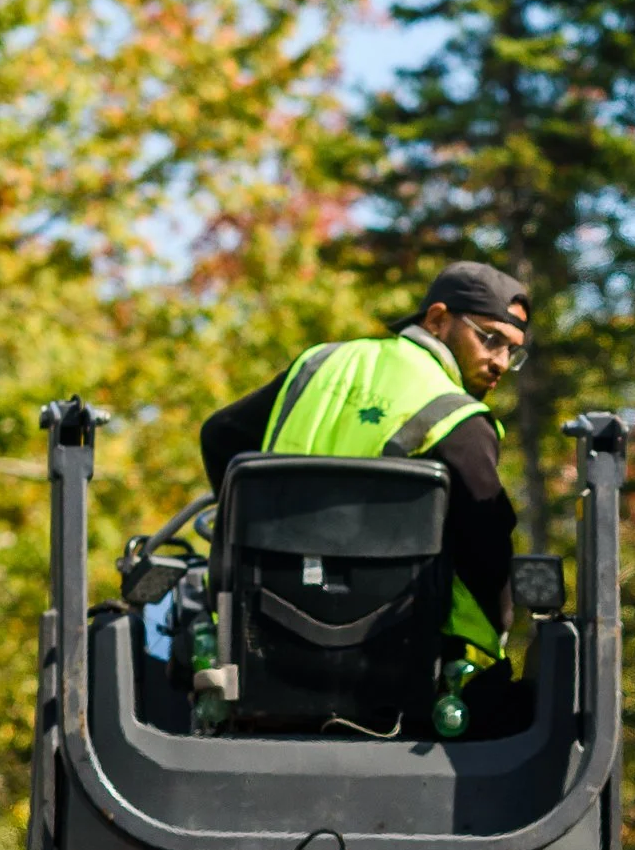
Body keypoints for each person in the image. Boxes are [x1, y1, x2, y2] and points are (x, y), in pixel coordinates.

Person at [200, 261, 531, 705]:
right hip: (396, 665)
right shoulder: (459, 420)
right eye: (490, 339)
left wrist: (248, 534)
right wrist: (491, 650)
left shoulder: (321, 364)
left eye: (513, 351)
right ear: (436, 319)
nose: (500, 362)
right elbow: (486, 548)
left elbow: (220, 435)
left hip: (261, 645)